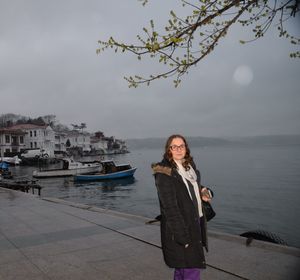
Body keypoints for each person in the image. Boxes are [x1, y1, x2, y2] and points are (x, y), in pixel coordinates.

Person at [152, 134, 212, 280]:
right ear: (169, 150)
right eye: (174, 146)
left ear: (186, 148)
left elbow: (192, 188)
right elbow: (170, 208)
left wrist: (204, 191)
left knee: (182, 267)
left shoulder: (188, 167)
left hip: (194, 221)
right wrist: (183, 237)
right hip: (181, 227)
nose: (179, 149)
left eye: (182, 146)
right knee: (191, 267)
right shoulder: (164, 173)